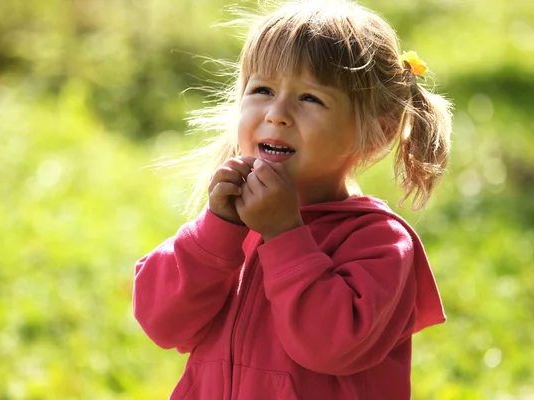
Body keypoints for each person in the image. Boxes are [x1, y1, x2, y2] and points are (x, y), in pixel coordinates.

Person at [134, 0, 452, 398]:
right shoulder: (234, 222)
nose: (277, 114)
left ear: (377, 132)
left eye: (310, 98)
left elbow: (331, 348)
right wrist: (216, 231)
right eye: (262, 90)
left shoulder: (381, 244)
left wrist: (285, 235)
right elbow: (162, 323)